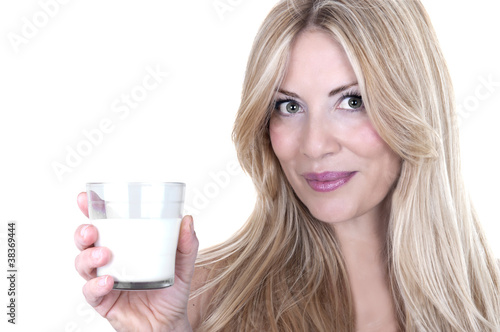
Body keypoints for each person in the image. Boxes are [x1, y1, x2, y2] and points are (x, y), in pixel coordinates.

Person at [74, 0, 500, 331]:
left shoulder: (489, 309)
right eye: (289, 106)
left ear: (413, 109)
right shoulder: (200, 299)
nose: (314, 145)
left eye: (352, 101)